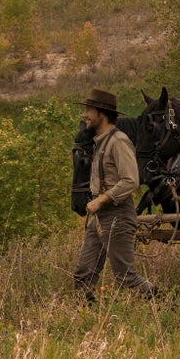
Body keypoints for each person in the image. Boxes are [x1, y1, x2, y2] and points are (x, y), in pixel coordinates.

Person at [72, 88, 157, 301]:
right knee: (83, 274)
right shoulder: (99, 141)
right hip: (100, 217)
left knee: (127, 278)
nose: (85, 116)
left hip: (118, 215)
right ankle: (85, 321)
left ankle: (165, 308)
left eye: (89, 111)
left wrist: (100, 199)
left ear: (102, 114)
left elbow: (131, 180)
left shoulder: (118, 141)